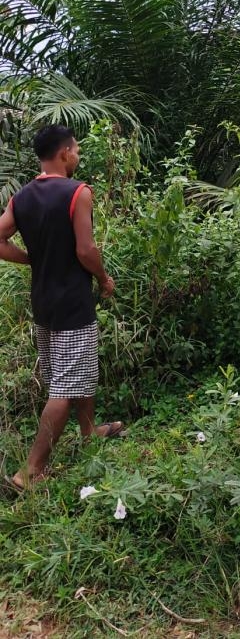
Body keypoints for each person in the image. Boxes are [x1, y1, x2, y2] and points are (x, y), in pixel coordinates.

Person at [0, 124, 123, 492]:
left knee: (73, 372)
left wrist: (31, 259)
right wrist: (103, 278)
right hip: (72, 302)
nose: (79, 155)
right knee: (65, 390)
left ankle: (89, 432)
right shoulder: (77, 193)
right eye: (77, 149)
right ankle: (30, 471)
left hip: (44, 304)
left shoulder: (20, 198)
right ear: (64, 153)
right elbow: (85, 250)